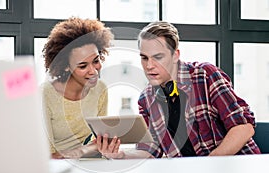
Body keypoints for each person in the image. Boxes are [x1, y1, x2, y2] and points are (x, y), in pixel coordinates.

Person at [97, 21, 261, 159]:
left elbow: (244, 127)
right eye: (144, 58)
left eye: (158, 57)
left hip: (238, 168)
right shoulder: (146, 98)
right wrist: (120, 155)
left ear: (175, 55)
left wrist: (210, 164)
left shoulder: (205, 75)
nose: (149, 66)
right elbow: (150, 150)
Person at [41, 17, 114, 159]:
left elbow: (99, 143)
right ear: (66, 66)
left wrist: (106, 146)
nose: (93, 71)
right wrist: (88, 149)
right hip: (56, 171)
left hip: (90, 166)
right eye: (83, 66)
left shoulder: (100, 89)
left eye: (96, 61)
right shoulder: (45, 94)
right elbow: (47, 157)